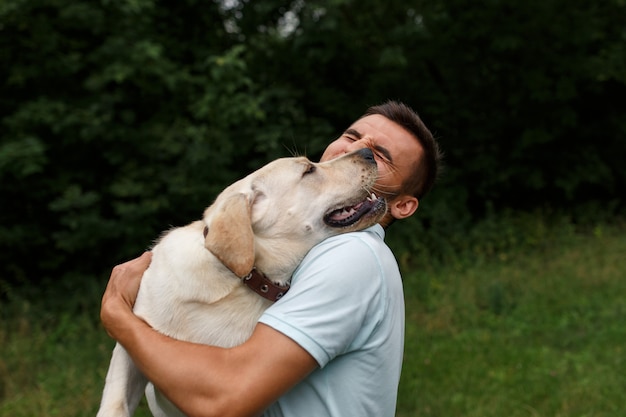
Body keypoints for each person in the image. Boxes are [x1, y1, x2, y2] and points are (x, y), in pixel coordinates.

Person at [100, 100, 443, 417]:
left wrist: (121, 318)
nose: (356, 150)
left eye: (380, 155)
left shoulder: (354, 254)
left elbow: (226, 397)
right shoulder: (302, 251)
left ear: (403, 205)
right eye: (351, 135)